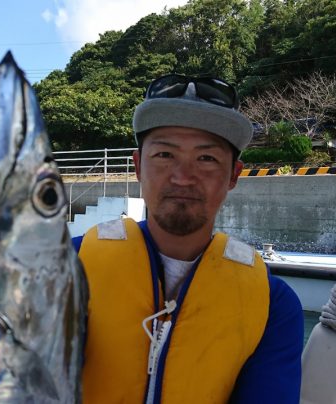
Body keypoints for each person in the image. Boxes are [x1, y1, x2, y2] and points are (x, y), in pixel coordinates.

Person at [73, 74, 304, 403]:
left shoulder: (274, 306)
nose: (182, 178)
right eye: (165, 155)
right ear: (138, 166)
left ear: (233, 176)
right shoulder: (68, 268)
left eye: (207, 159)